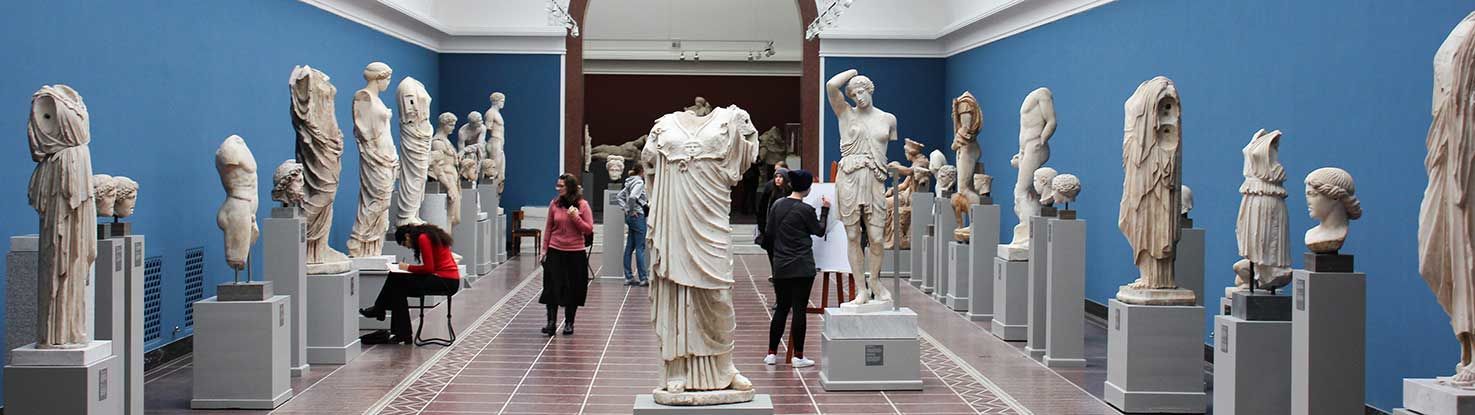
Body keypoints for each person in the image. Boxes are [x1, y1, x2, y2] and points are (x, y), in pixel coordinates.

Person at [760, 169, 829, 368]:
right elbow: (819, 230)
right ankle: (798, 356)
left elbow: (769, 232)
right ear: (807, 188)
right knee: (799, 309)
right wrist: (825, 210)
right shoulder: (806, 210)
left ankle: (771, 353)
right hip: (802, 266)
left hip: (781, 265)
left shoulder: (777, 205)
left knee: (781, 308)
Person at [358, 223, 461, 345]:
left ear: (407, 236)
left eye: (404, 244)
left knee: (396, 278)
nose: (407, 247)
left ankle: (382, 312)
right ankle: (397, 330)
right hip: (448, 280)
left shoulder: (423, 238)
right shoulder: (427, 235)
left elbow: (429, 268)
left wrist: (407, 267)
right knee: (397, 287)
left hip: (445, 281)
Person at [541, 173, 594, 336]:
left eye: (561, 186)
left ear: (570, 187)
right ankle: (551, 323)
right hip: (555, 250)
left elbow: (588, 229)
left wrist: (575, 217)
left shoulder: (582, 205)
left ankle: (569, 323)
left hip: (575, 253)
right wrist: (544, 250)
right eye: (557, 185)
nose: (558, 189)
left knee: (573, 288)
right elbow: (549, 227)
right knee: (552, 288)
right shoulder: (554, 204)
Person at [615, 163, 650, 286]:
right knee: (640, 247)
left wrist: (626, 209)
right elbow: (632, 197)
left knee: (630, 247)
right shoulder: (639, 182)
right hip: (638, 216)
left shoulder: (629, 181)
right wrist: (631, 210)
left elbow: (619, 196)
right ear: (642, 171)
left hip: (631, 218)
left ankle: (629, 277)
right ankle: (643, 278)